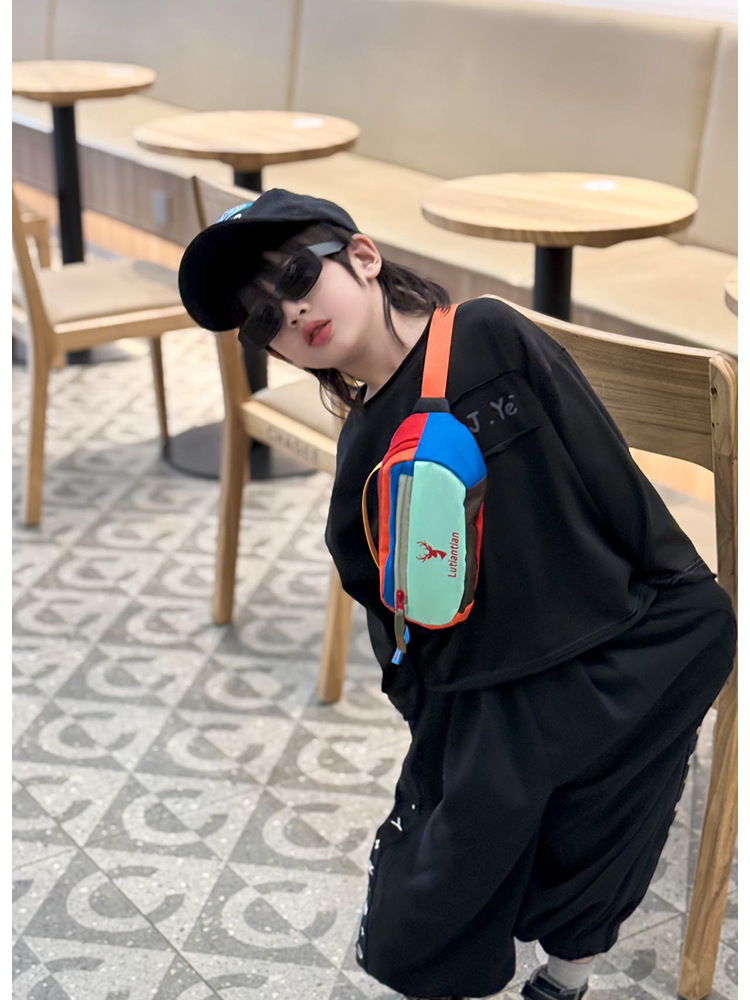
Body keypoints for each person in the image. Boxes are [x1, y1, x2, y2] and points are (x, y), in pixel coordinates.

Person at [178, 189, 737, 1000]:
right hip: (486, 693)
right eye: (264, 319)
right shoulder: (362, 451)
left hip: (608, 640)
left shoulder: (488, 335)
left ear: (362, 257)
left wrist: (682, 594)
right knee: (428, 897)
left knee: (609, 814)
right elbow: (387, 613)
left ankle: (568, 974)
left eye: (298, 276)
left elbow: (607, 472)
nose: (291, 312)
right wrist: (430, 717)